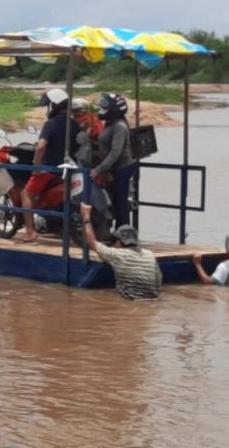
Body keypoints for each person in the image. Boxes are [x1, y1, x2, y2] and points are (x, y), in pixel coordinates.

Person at [18, 89, 81, 244]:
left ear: (53, 105)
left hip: (50, 169)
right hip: (68, 169)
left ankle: (31, 232)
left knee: (25, 194)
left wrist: (36, 166)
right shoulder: (74, 124)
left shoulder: (51, 124)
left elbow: (40, 147)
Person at [80, 203, 161, 300]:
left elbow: (91, 242)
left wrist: (86, 216)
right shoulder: (150, 255)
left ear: (119, 242)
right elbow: (157, 282)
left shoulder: (117, 255)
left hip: (131, 301)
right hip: (152, 301)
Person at [89, 93, 137, 231]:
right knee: (114, 202)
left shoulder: (120, 126)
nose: (102, 109)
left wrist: (98, 169)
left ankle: (124, 237)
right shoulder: (110, 124)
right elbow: (105, 145)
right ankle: (116, 233)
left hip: (122, 168)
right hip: (112, 168)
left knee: (120, 203)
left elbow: (116, 152)